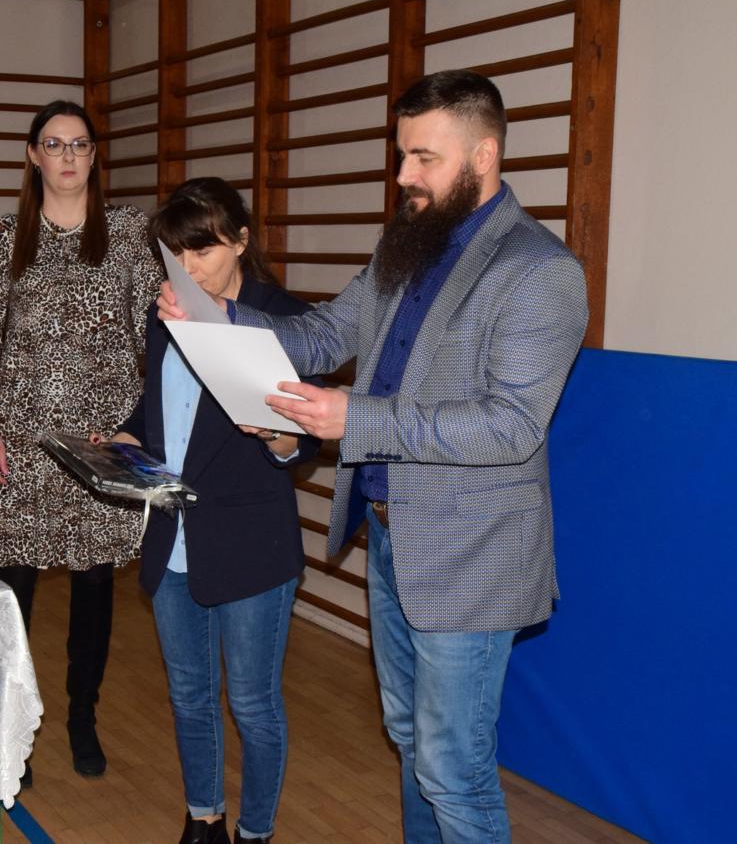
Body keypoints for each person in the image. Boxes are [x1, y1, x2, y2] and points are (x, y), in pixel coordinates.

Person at [160, 70, 589, 843]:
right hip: (394, 538)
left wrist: (352, 417)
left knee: (453, 766)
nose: (402, 175)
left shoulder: (539, 270)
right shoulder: (405, 242)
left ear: (484, 155)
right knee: (413, 741)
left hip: (472, 554)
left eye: (424, 157)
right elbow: (324, 334)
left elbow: (510, 426)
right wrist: (218, 313)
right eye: (401, 155)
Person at [0, 99, 164, 778]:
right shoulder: (5, 235)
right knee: (14, 588)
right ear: (33, 156)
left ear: (95, 155)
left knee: (94, 586)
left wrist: (140, 426)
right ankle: (9, 720)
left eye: (79, 144)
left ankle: (81, 716)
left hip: (101, 442)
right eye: (54, 144)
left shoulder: (129, 232)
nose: (68, 156)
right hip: (19, 438)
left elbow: (161, 334)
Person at [111, 178, 321, 844]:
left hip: (251, 541)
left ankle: (256, 832)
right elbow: (158, 405)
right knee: (189, 695)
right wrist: (125, 438)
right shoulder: (167, 310)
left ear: (241, 241)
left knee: (254, 704)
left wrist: (282, 436)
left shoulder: (282, 316)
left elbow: (307, 436)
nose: (188, 266)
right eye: (175, 252)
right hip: (174, 533)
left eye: (201, 249)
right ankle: (203, 819)